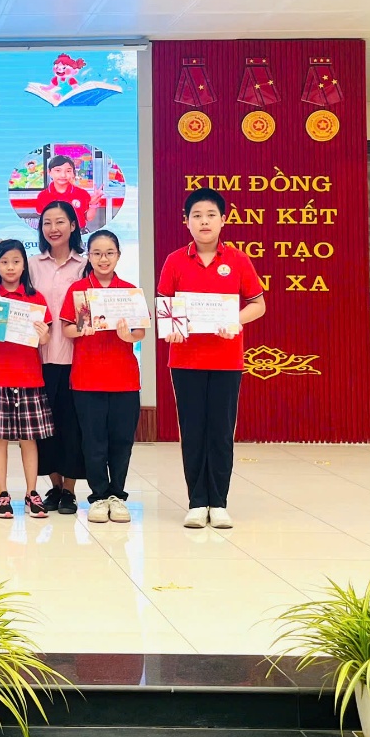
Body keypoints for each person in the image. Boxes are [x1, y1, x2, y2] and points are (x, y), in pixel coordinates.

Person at [158, 188, 266, 530]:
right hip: (185, 361)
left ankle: (218, 502)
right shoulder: (174, 260)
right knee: (192, 432)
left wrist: (235, 320)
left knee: (220, 432)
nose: (204, 222)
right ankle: (196, 502)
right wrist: (172, 329)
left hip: (226, 361)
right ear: (186, 221)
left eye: (210, 215)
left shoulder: (238, 260)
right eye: (197, 216)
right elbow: (165, 307)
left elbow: (258, 304)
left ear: (223, 220)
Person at [61, 230, 143, 525]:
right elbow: (67, 329)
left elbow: (140, 332)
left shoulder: (129, 291)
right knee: (93, 441)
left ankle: (117, 496)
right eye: (96, 253)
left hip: (124, 379)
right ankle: (98, 497)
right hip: (87, 379)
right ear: (89, 256)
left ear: (118, 255)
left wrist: (128, 335)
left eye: (109, 253)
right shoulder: (79, 291)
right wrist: (81, 330)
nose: (103, 259)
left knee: (121, 441)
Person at [0, 240, 52, 520]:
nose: (10, 267)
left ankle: (32, 493)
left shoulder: (35, 298)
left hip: (29, 377)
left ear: (24, 265)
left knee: (29, 439)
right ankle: (2, 494)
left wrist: (43, 335)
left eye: (16, 261)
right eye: (4, 262)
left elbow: (45, 339)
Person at [29, 200, 87, 515]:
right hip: (38, 358)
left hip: (78, 358)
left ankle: (69, 490)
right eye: (47, 223)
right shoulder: (31, 264)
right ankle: (53, 485)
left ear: (73, 225)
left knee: (72, 426)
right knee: (44, 427)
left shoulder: (86, 265)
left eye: (60, 221)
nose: (53, 228)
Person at [34, 155, 102, 231]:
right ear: (49, 172)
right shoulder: (43, 196)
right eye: (58, 170)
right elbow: (42, 219)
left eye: (68, 171)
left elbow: (88, 218)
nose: (63, 175)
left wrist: (93, 204)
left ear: (73, 173)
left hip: (78, 232)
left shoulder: (82, 193)